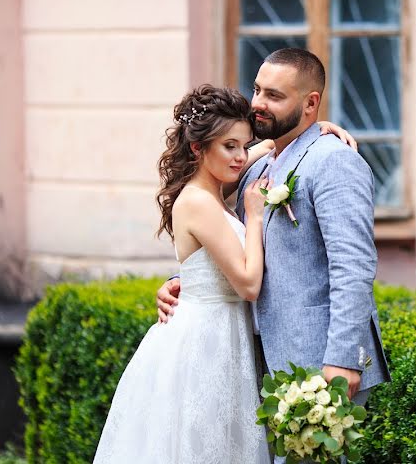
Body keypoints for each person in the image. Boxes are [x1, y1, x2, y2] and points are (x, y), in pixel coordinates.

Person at [94, 85, 354, 463]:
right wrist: (257, 215)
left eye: (243, 145)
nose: (239, 156)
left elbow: (264, 150)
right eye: (228, 146)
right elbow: (248, 284)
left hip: (223, 332)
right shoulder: (200, 202)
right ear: (199, 148)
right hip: (205, 341)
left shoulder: (212, 190)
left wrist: (313, 131)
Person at [158, 48, 391, 463]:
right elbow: (222, 238)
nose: (258, 103)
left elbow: (353, 269)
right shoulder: (251, 166)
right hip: (258, 366)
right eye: (257, 89)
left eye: (274, 96)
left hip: (319, 367)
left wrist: (343, 361)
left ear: (310, 104)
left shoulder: (333, 161)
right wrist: (186, 283)